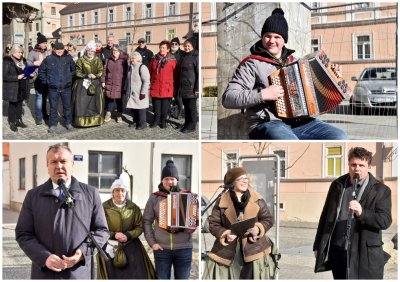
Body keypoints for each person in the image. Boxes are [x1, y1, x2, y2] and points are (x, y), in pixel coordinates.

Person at [222, 8, 348, 140]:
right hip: (267, 122)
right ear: (262, 37)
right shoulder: (251, 64)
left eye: (277, 37)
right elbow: (228, 98)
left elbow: (317, 86)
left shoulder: (297, 63)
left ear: (284, 40)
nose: (271, 40)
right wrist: (263, 94)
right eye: (267, 36)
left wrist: (333, 75)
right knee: (288, 141)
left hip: (300, 121)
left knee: (339, 136)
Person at [15, 144, 109, 279]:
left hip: (79, 273)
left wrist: (81, 253)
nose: (58, 166)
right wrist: (44, 257)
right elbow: (23, 234)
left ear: (72, 164)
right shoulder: (33, 196)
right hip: (44, 273)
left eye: (63, 161)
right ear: (47, 166)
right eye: (53, 162)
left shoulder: (91, 194)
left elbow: (101, 231)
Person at [313, 147, 392, 279]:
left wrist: (362, 213)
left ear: (369, 167)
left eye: (361, 165)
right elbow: (325, 216)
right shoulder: (337, 185)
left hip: (365, 255)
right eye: (353, 164)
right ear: (348, 165)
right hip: (339, 251)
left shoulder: (381, 190)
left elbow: (385, 220)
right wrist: (318, 245)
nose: (357, 168)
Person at [202, 167, 276, 279]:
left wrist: (258, 228)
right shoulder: (221, 200)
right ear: (231, 182)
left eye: (246, 178)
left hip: (253, 249)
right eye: (240, 179)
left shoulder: (257, 198)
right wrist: (225, 234)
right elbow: (214, 224)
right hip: (229, 250)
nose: (245, 181)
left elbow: (268, 219)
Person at [143, 160, 197, 279]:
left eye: (172, 178)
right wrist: (153, 243)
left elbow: (194, 220)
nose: (169, 181)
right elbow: (146, 221)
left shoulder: (187, 196)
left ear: (177, 180)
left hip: (184, 248)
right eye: (166, 178)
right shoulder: (155, 197)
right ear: (162, 180)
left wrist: (192, 224)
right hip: (162, 249)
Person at [97, 173, 156, 279]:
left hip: (131, 245)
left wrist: (128, 235)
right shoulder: (104, 207)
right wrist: (114, 235)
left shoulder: (134, 208)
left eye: (122, 190)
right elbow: (100, 227)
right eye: (117, 190)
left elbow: (139, 227)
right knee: (112, 274)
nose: (120, 193)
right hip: (110, 246)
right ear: (113, 192)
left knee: (136, 274)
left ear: (126, 192)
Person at [38, 42, 76, 133]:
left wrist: (68, 78)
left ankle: (68, 123)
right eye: (58, 51)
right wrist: (47, 81)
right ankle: (53, 124)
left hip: (66, 87)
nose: (60, 53)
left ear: (63, 49)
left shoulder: (68, 58)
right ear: (54, 50)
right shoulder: (48, 59)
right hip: (53, 88)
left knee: (67, 107)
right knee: (53, 107)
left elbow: (74, 70)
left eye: (61, 51)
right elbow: (41, 72)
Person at [72, 41, 104, 127]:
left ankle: (95, 121)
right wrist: (86, 75)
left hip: (95, 84)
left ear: (94, 52)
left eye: (92, 51)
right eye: (89, 51)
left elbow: (101, 71)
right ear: (86, 51)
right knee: (81, 101)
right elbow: (77, 72)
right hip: (82, 84)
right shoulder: (81, 60)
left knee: (95, 102)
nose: (90, 53)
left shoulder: (98, 60)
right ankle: (81, 121)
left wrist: (96, 75)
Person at [3, 45, 32, 132]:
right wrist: (16, 77)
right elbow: (4, 76)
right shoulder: (7, 61)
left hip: (22, 86)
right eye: (18, 52)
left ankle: (18, 120)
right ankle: (12, 122)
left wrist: (30, 75)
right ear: (13, 53)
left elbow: (26, 72)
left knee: (19, 104)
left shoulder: (23, 61)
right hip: (12, 87)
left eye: (21, 52)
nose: (20, 54)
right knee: (12, 105)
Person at [148, 40, 177, 129]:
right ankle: (156, 120)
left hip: (167, 87)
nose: (162, 49)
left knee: (165, 107)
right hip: (156, 86)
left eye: (164, 48)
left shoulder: (172, 60)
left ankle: (163, 121)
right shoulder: (154, 59)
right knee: (156, 106)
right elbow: (150, 71)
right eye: (160, 47)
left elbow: (176, 74)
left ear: (168, 49)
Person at [176, 38, 199, 133]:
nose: (186, 47)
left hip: (192, 87)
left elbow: (198, 73)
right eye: (185, 46)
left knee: (192, 107)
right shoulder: (183, 56)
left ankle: (192, 125)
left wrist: (196, 88)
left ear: (193, 46)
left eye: (189, 46)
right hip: (183, 86)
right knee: (186, 107)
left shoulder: (196, 56)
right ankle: (187, 123)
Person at [101, 45, 128, 123]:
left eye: (116, 51)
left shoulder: (123, 61)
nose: (114, 52)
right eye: (113, 51)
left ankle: (119, 115)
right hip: (110, 82)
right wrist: (103, 81)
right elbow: (104, 71)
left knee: (119, 100)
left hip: (120, 83)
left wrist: (125, 83)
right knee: (110, 99)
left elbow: (126, 73)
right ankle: (108, 113)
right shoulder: (108, 60)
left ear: (119, 52)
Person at [27, 32, 49, 125]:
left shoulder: (47, 52)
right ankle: (38, 117)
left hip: (47, 78)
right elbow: (28, 63)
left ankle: (44, 114)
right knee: (39, 97)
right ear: (39, 43)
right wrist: (35, 64)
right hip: (37, 78)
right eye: (43, 43)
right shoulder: (33, 52)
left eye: (45, 43)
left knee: (44, 97)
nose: (45, 44)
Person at [124, 51, 150, 129]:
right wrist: (125, 89)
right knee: (134, 108)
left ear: (138, 59)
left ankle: (143, 123)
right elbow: (127, 80)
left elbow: (146, 81)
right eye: (131, 58)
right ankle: (136, 121)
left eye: (133, 58)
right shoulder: (130, 67)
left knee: (141, 108)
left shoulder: (142, 67)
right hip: (132, 92)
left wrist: (143, 92)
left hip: (139, 92)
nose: (132, 60)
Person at [170, 37, 184, 120]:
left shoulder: (182, 53)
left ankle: (178, 113)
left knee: (178, 98)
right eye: (172, 44)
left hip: (179, 78)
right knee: (171, 97)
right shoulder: (168, 54)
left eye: (176, 44)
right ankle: (172, 112)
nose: (174, 45)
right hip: (170, 79)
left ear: (179, 45)